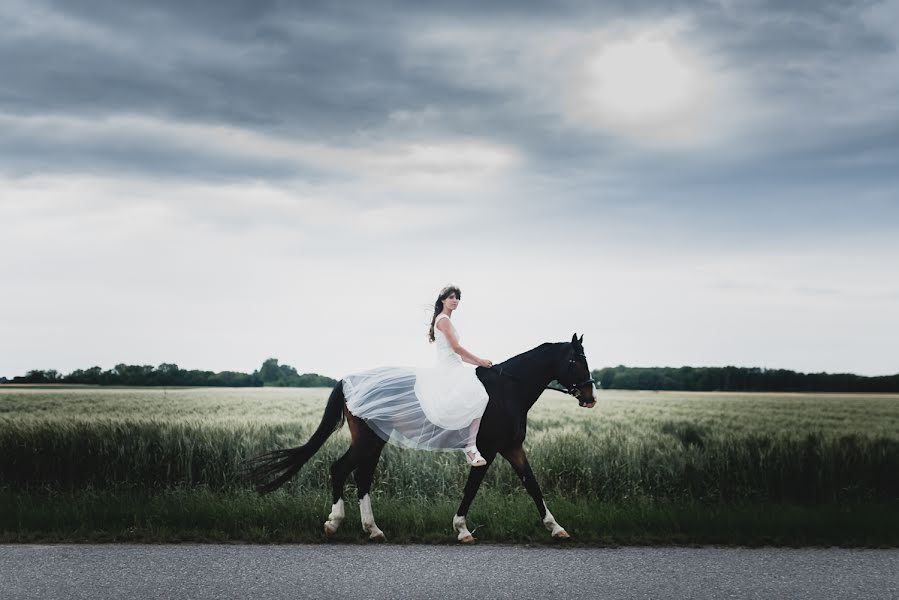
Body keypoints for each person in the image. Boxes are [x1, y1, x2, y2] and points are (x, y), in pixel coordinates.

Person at [342, 284, 492, 466]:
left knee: (475, 395)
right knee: (480, 395)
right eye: (451, 297)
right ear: (443, 300)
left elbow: (458, 355)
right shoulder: (443, 320)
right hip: (447, 368)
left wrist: (479, 363)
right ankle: (470, 448)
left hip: (454, 365)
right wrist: (481, 360)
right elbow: (456, 348)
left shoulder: (445, 320)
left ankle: (469, 444)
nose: (455, 300)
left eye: (457, 297)